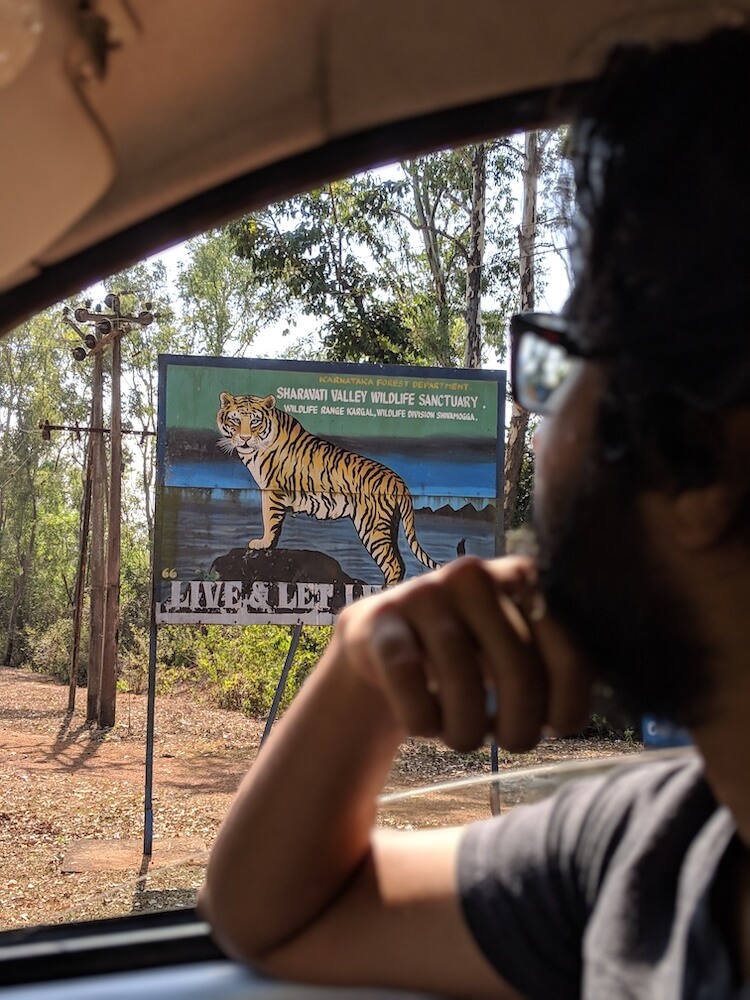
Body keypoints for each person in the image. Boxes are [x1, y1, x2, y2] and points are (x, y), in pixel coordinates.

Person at [199, 28, 750, 999]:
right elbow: (269, 910)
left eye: (565, 359)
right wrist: (366, 654)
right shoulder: (653, 847)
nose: (540, 424)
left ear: (698, 455)